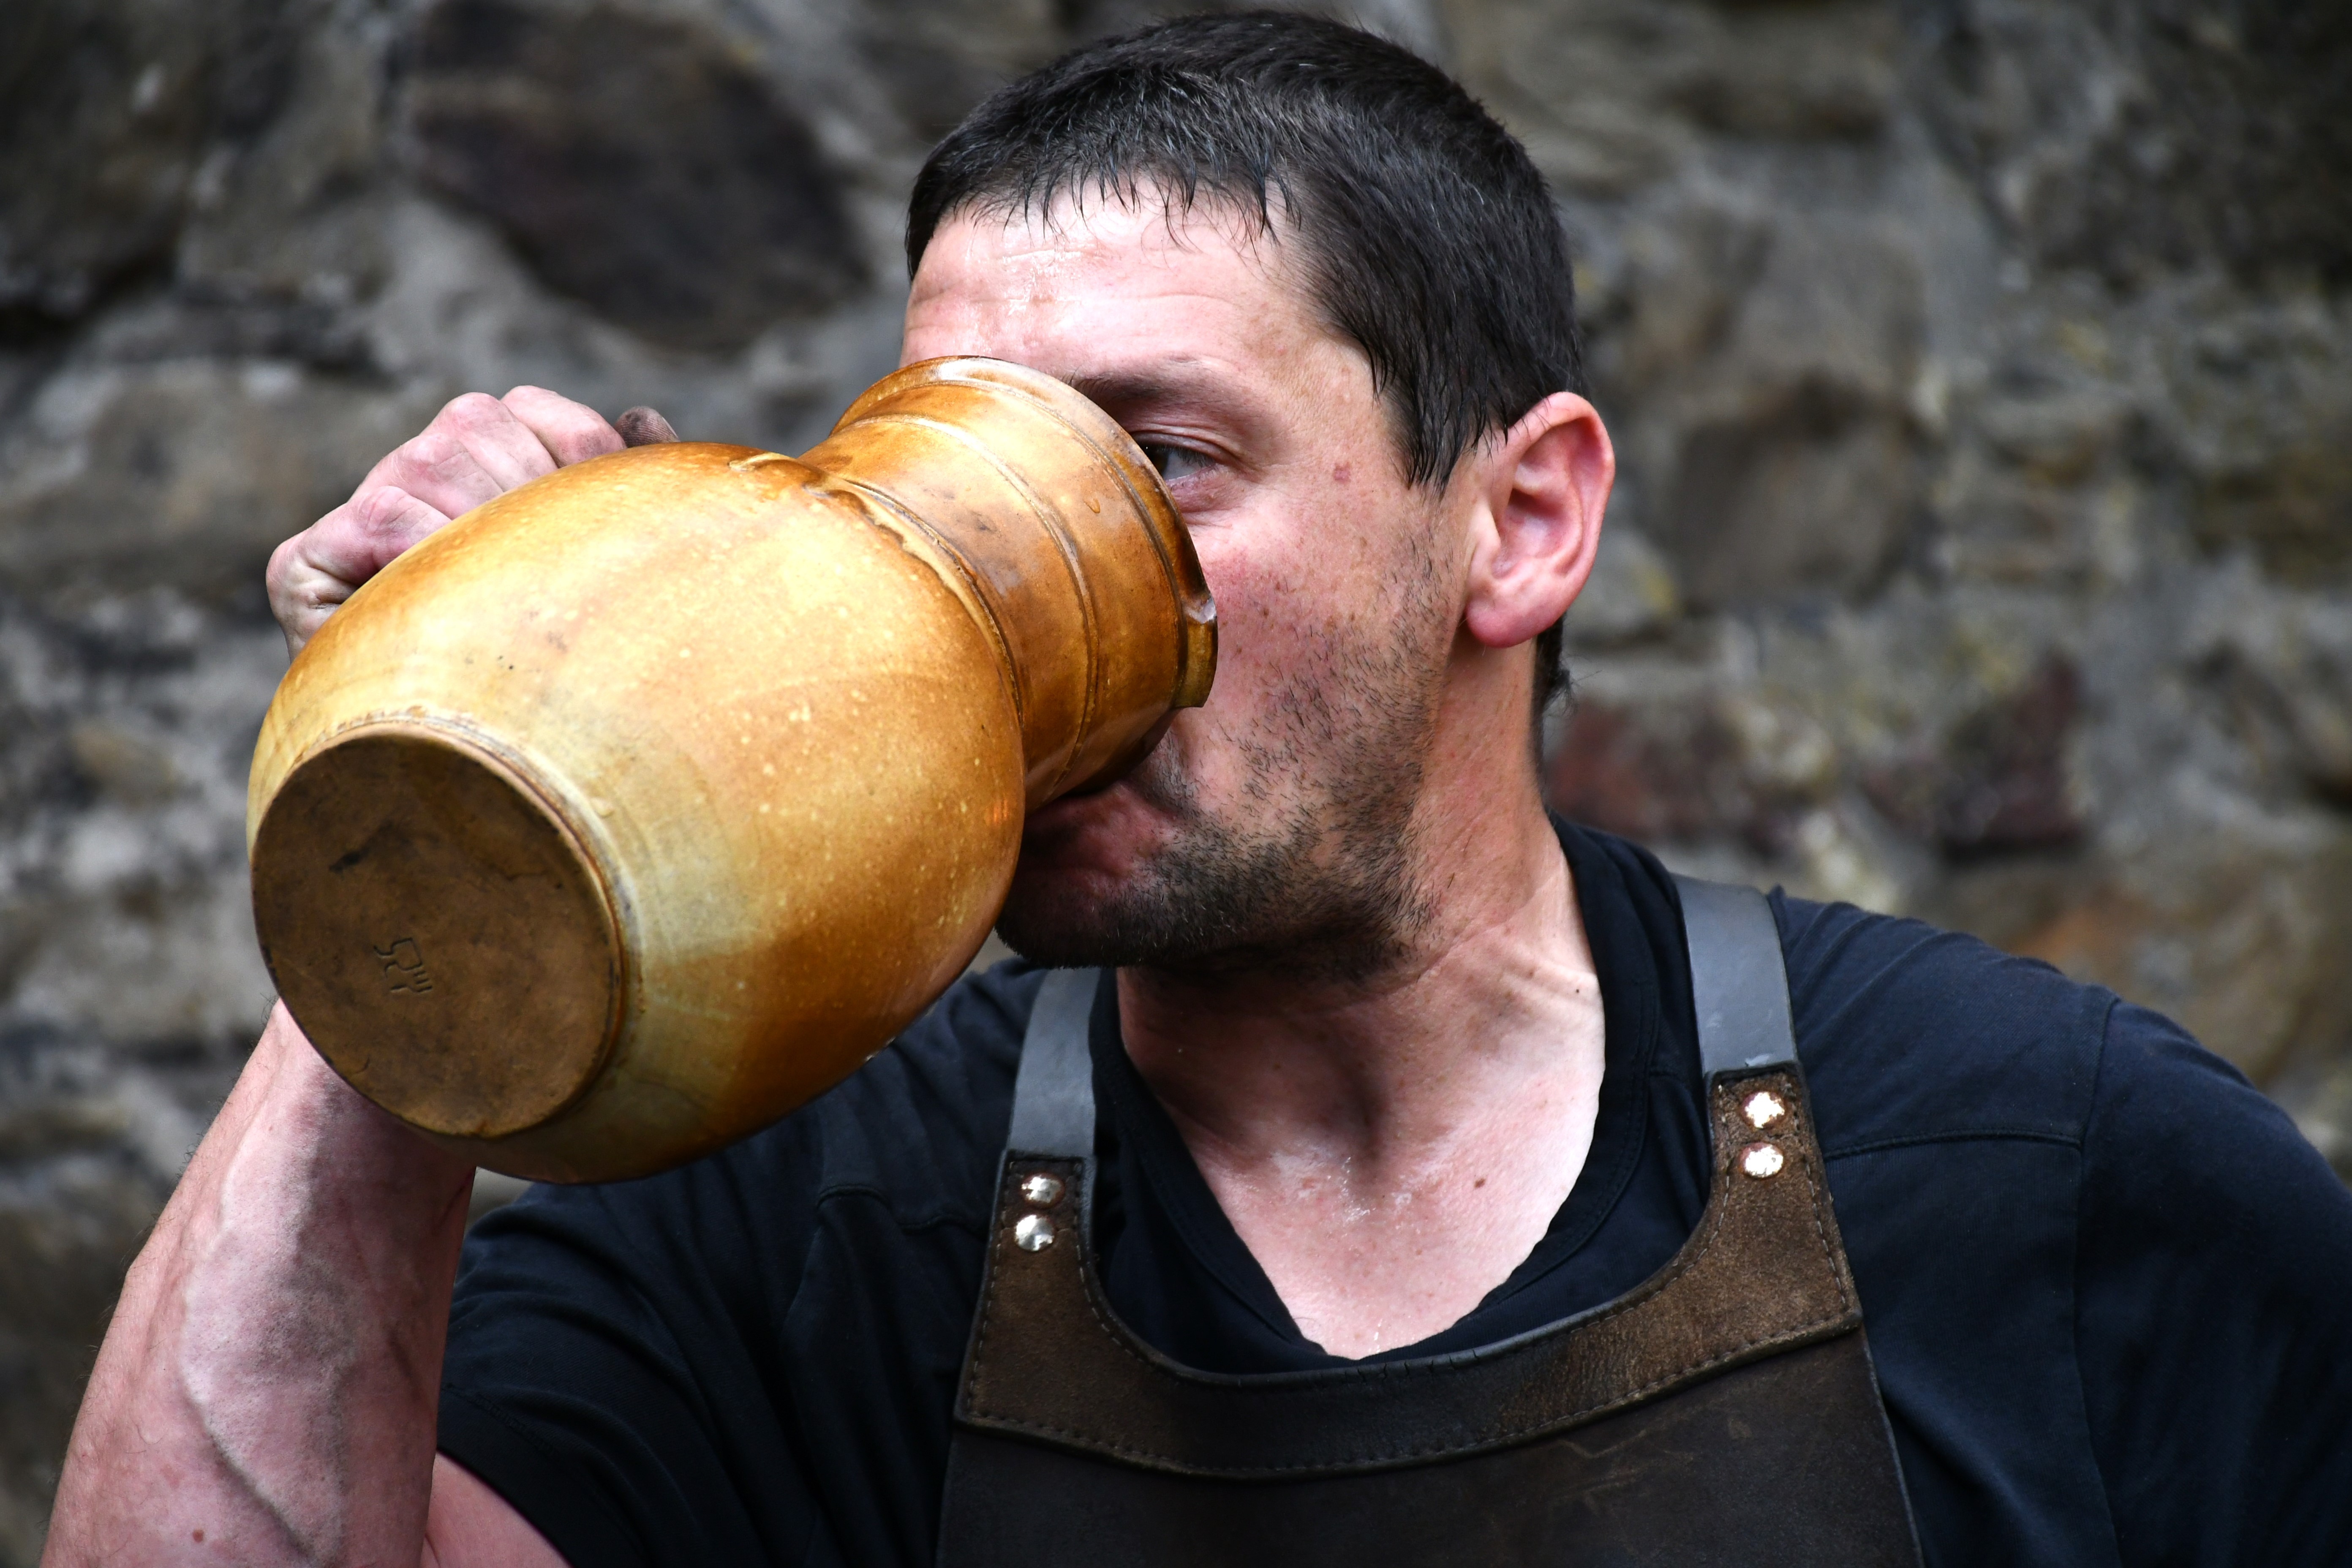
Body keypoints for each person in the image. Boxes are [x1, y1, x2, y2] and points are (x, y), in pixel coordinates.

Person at [45, 13, 2352, 1567]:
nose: (998, 585)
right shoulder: (813, 1227)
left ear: (1520, 522)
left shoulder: (2043, 1171)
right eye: (932, 468)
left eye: (1165, 458)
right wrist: (440, 820)